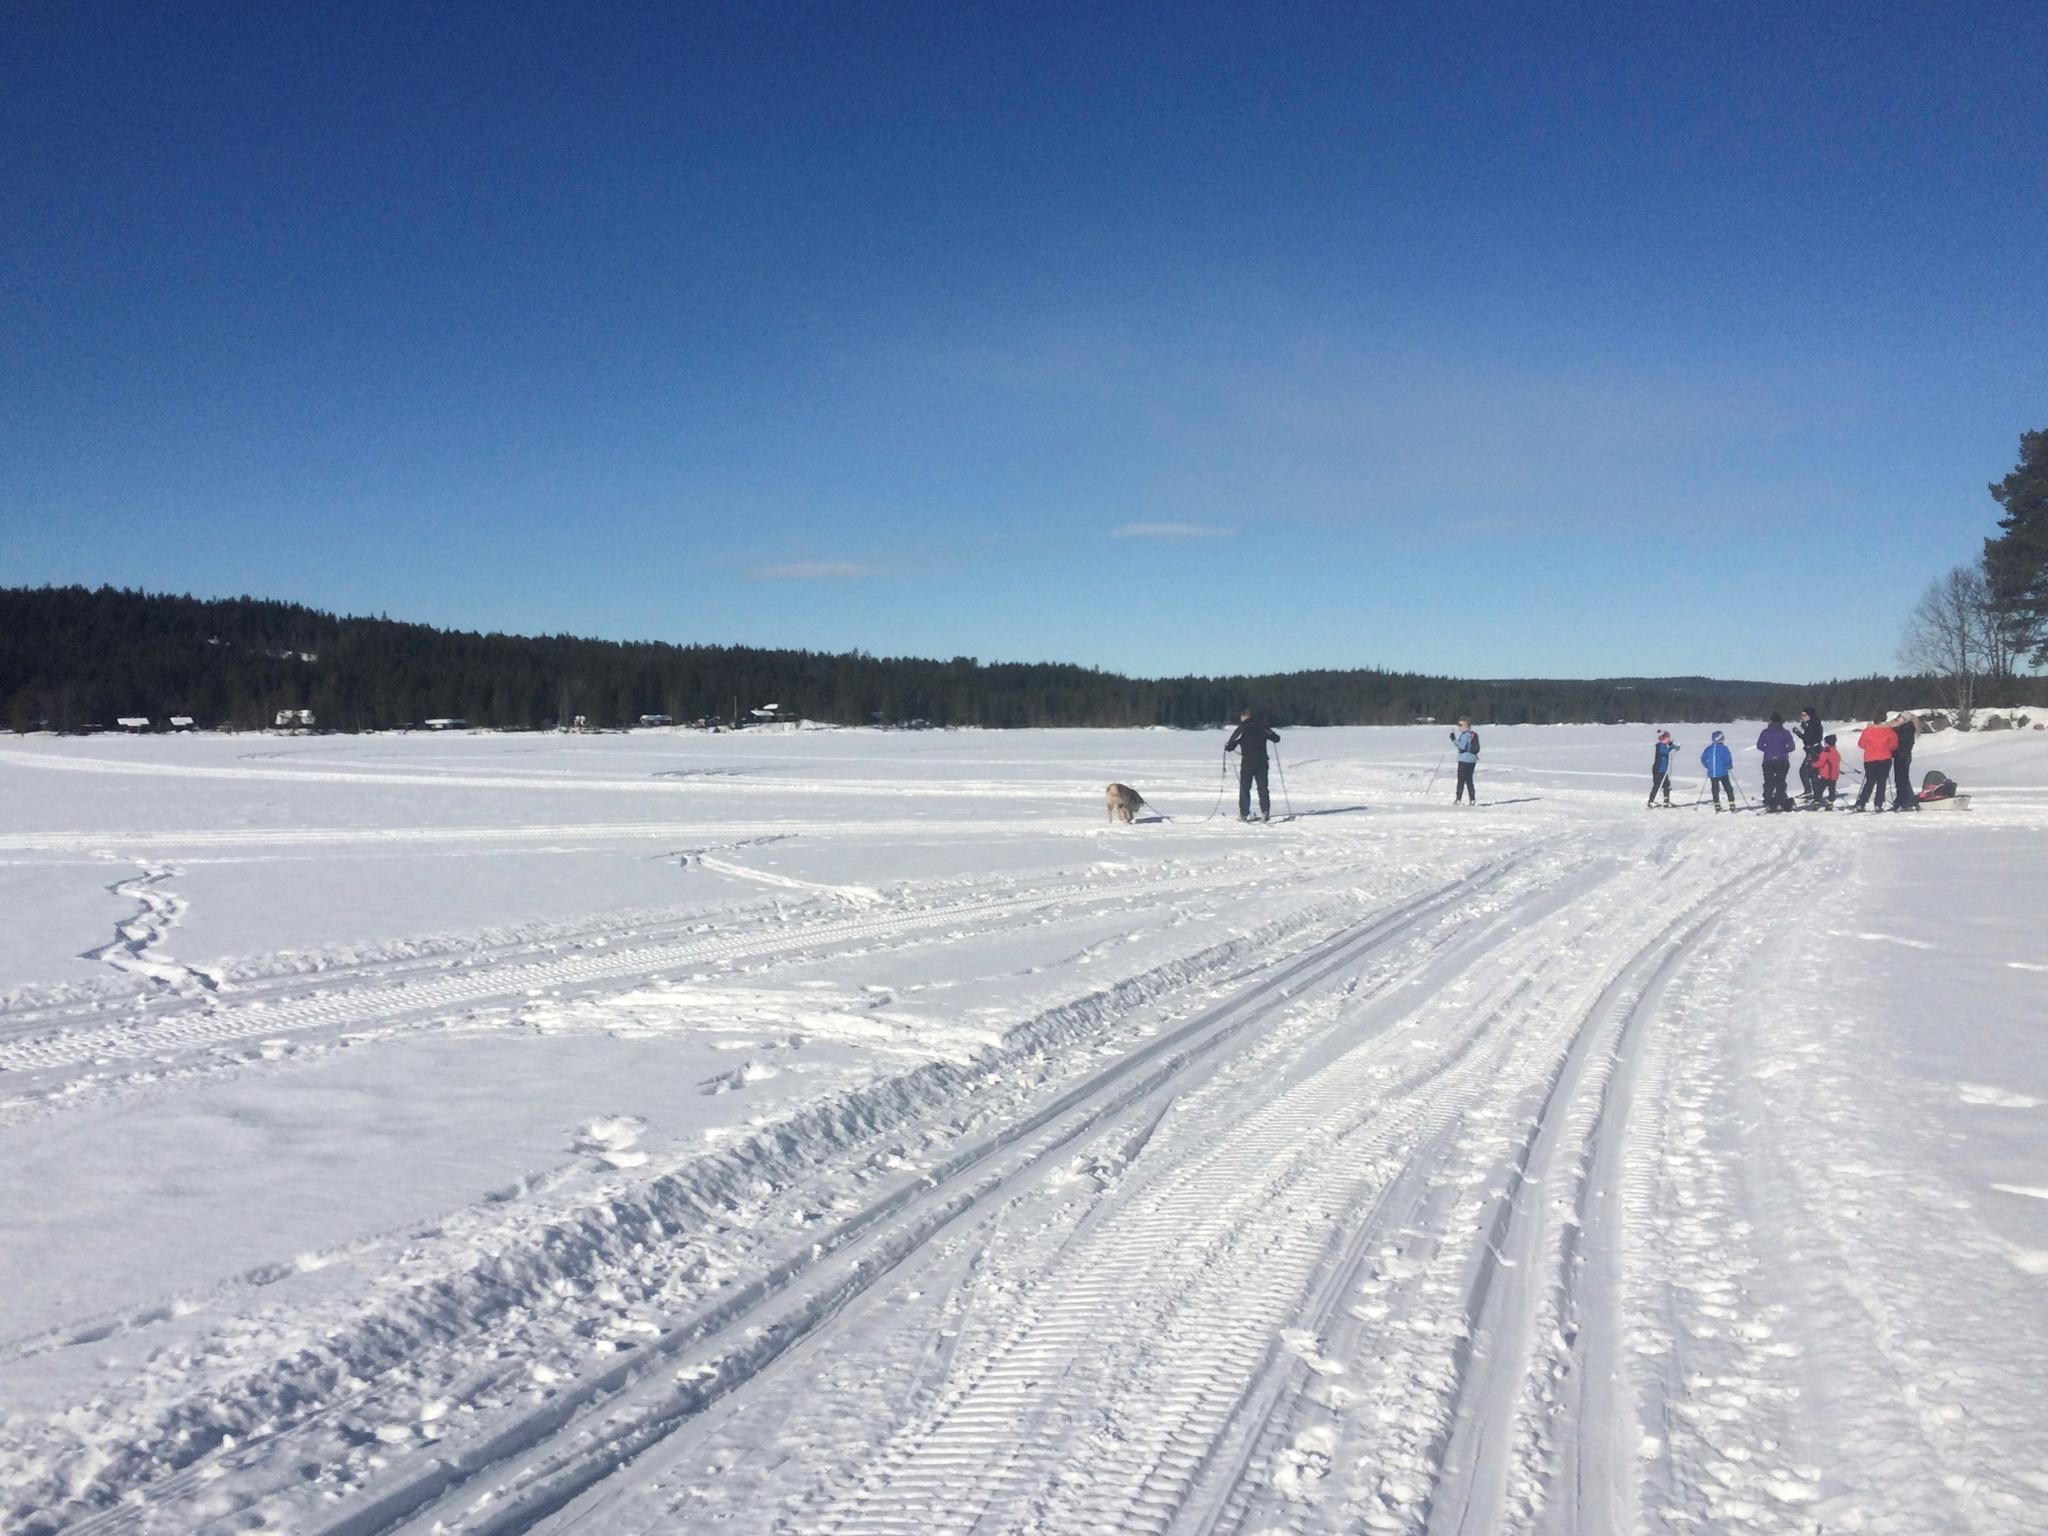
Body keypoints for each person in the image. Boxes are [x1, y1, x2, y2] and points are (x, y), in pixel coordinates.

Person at [1224, 708, 1280, 821]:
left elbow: (1230, 745)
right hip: (1262, 761)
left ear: (1243, 717)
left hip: (1248, 762)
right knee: (1263, 787)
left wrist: (1228, 747)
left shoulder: (1242, 728)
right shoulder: (1262, 727)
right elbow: (1276, 738)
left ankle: (1244, 814)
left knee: (1245, 788)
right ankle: (1265, 811)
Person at [1851, 712, 1897, 811]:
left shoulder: (1868, 730)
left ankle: (1861, 803)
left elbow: (1861, 744)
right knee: (1881, 782)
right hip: (1884, 758)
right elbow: (1894, 745)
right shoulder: (1889, 731)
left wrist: (1870, 748)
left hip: (1870, 759)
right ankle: (1878, 804)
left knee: (1870, 781)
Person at [1756, 713, 1798, 812]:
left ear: (1771, 721)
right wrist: (1783, 751)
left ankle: (1768, 800)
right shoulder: (1785, 733)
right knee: (1780, 781)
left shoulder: (1765, 732)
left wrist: (1768, 750)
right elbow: (1792, 747)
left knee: (1768, 781)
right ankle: (1780, 799)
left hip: (1768, 760)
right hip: (1782, 760)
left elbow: (1759, 745)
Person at [1889, 712, 1920, 813]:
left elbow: (1901, 741)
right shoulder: (1904, 727)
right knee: (1901, 779)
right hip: (1901, 755)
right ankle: (1907, 800)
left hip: (1903, 756)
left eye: (1900, 717)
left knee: (1902, 779)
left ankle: (1905, 801)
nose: (1897, 718)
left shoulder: (1907, 728)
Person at [1700, 730, 1738, 811]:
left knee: (1715, 788)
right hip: (1723, 771)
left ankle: (1717, 803)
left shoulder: (1708, 748)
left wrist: (1708, 766)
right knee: (1728, 787)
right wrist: (1729, 765)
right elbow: (1728, 758)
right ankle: (1731, 802)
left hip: (1712, 773)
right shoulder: (1724, 748)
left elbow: (1703, 759)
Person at [1796, 707, 1826, 804]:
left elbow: (1808, 739)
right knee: (1812, 772)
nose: (1802, 717)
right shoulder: (1813, 724)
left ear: (1810, 715)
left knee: (1805, 771)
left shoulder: (1813, 725)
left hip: (1814, 751)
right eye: (1802, 715)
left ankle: (1810, 792)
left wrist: (1799, 733)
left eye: (1804, 715)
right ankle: (1815, 793)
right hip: (1814, 750)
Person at [1449, 718, 1480, 805]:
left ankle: (1458, 799)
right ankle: (1472, 799)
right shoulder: (1472, 735)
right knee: (1469, 779)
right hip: (1472, 760)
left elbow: (1462, 746)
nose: (1459, 727)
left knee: (1461, 780)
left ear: (1467, 726)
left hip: (1464, 760)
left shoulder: (1465, 735)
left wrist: (1454, 740)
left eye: (1461, 725)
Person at [1648, 730, 1679, 807]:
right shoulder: (1660, 746)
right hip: (1658, 769)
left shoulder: (1664, 745)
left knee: (1666, 785)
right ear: (1662, 739)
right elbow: (1664, 751)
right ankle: (1651, 801)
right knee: (1657, 785)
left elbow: (1667, 748)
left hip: (1664, 770)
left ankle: (1666, 801)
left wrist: (1671, 745)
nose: (1668, 740)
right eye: (1667, 738)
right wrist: (1671, 747)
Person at [1813, 734, 1841, 809]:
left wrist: (1813, 765)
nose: (1824, 743)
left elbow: (1821, 762)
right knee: (1832, 789)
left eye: (1825, 742)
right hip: (1834, 775)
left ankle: (1817, 802)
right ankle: (1830, 802)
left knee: (1819, 788)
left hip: (1825, 775)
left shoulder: (1825, 752)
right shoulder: (1835, 752)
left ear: (1827, 743)